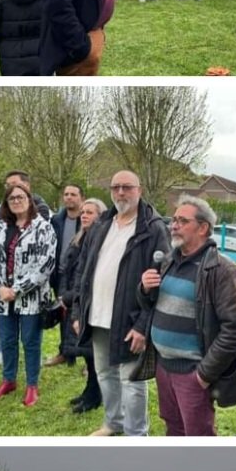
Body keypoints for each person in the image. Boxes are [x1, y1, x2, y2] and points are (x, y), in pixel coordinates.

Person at [138, 196, 236, 436]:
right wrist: (145, 290)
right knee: (174, 427)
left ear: (203, 228)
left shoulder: (222, 270)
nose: (173, 225)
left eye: (182, 220)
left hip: (192, 372)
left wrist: (202, 374)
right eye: (174, 219)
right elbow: (152, 306)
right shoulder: (169, 260)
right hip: (164, 366)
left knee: (198, 435)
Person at [71, 171, 169, 437]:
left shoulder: (153, 229)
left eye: (127, 187)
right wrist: (79, 310)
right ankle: (113, 423)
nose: (121, 192)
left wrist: (142, 326)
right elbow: (83, 270)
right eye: (116, 187)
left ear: (140, 189)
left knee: (132, 380)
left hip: (129, 319)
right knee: (104, 372)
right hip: (97, 316)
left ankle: (136, 435)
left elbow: (162, 282)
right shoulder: (102, 224)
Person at [0, 183, 58, 407]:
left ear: (29, 199)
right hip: (3, 297)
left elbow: (45, 265)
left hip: (31, 299)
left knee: (30, 341)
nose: (16, 201)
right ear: (6, 203)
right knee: (6, 341)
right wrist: (0, 287)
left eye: (20, 197)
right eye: (12, 198)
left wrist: (17, 289)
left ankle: (32, 384)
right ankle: (8, 380)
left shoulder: (44, 228)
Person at [59, 197, 104, 414]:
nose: (84, 215)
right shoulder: (79, 239)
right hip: (74, 303)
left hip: (88, 305)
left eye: (90, 212)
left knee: (93, 354)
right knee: (86, 353)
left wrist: (69, 296)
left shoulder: (99, 243)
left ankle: (95, 395)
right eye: (83, 212)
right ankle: (89, 391)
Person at [46, 184, 85, 367]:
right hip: (60, 275)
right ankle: (65, 352)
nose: (69, 197)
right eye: (66, 194)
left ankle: (88, 359)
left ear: (81, 198)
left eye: (73, 194)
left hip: (80, 276)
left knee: (82, 316)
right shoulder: (56, 220)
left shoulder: (88, 219)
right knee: (63, 314)